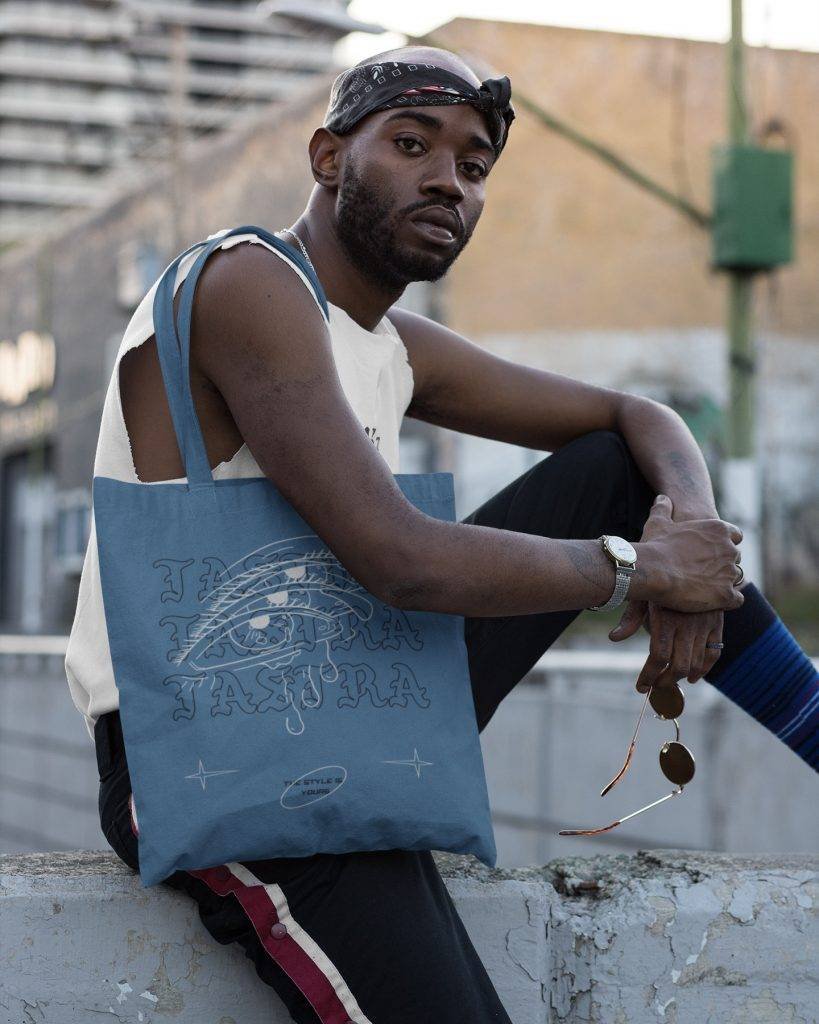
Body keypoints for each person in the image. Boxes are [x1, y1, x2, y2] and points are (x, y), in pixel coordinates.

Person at [68, 44, 818, 1024]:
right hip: (210, 746)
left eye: (473, 167)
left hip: (352, 700)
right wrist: (635, 569)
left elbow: (640, 418)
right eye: (412, 144)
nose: (447, 182)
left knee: (617, 470)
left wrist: (690, 559)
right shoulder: (247, 283)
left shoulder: (389, 342)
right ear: (329, 157)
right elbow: (398, 558)